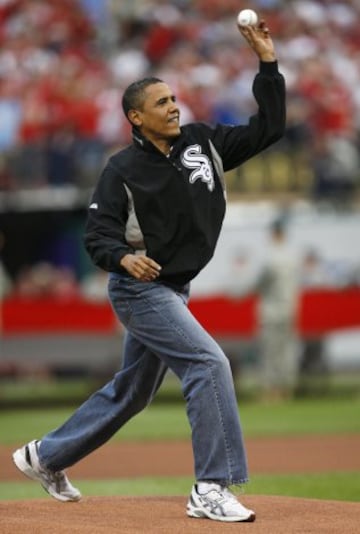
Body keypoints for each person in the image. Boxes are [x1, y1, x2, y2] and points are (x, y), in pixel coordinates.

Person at [13, 18, 285, 523]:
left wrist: (267, 63)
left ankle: (45, 456)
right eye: (161, 102)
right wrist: (121, 256)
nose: (174, 105)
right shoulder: (122, 169)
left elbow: (269, 128)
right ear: (136, 117)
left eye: (173, 98)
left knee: (131, 392)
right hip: (140, 290)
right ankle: (211, 485)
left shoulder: (203, 142)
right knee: (209, 364)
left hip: (174, 288)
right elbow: (98, 236)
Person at [255, 218, 301, 401]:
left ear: (274, 233)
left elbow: (259, 284)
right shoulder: (292, 257)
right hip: (290, 309)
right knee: (286, 351)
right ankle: (285, 390)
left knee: (270, 352)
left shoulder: (270, 258)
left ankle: (271, 391)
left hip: (271, 311)